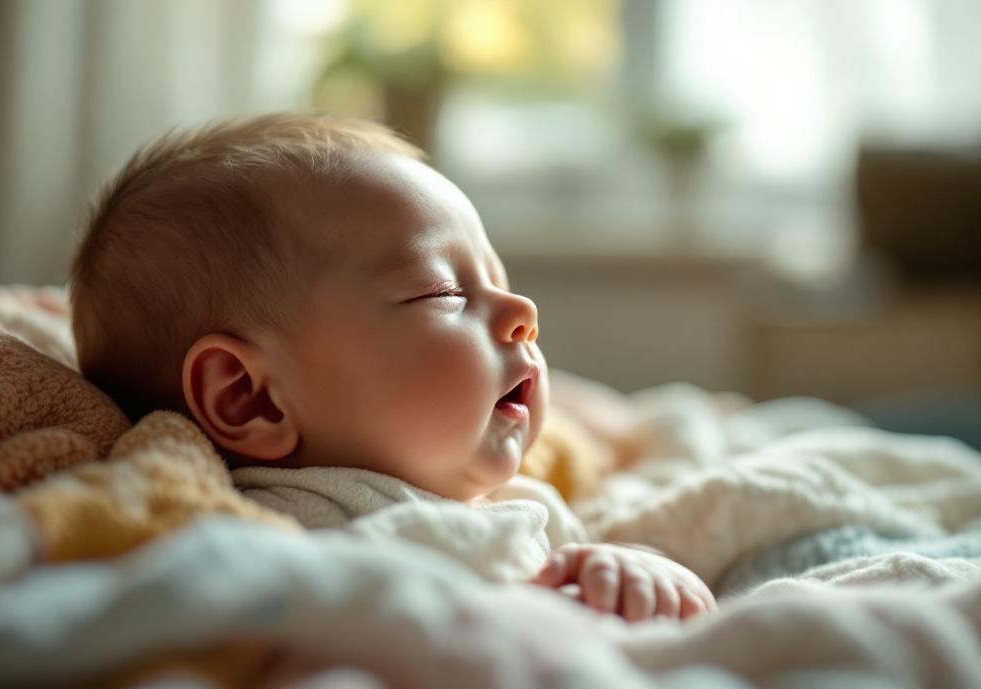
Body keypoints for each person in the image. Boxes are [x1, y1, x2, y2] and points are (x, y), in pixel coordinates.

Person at [70, 113, 715, 623]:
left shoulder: (524, 503)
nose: (523, 311)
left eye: (500, 280)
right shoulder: (287, 536)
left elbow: (615, 581)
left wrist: (640, 570)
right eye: (444, 292)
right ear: (250, 398)